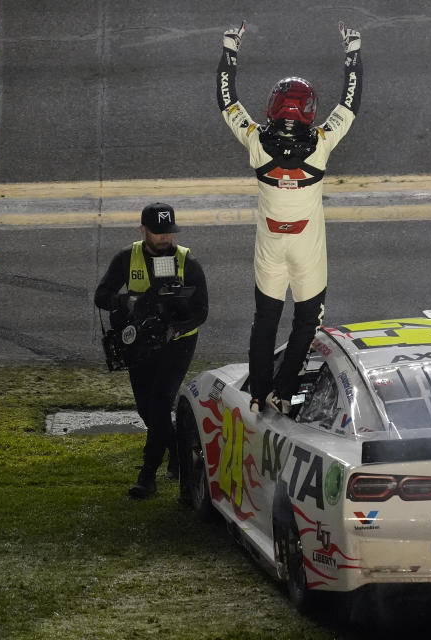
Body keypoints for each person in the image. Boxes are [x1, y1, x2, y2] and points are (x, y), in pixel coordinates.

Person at [217, 20, 362, 414]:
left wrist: (230, 47)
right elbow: (349, 105)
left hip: (269, 247)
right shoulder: (321, 143)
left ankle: (260, 392)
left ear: (272, 107)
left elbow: (227, 101)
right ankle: (283, 393)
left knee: (265, 322)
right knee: (306, 324)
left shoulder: (255, 142)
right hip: (307, 248)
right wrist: (353, 51)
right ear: (309, 111)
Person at [94, 203, 208, 499]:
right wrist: (128, 302)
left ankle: (148, 475)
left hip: (177, 343)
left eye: (168, 232)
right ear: (143, 230)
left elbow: (202, 311)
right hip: (141, 344)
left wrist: (175, 328)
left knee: (159, 403)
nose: (163, 238)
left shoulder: (187, 261)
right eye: (157, 232)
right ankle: (174, 449)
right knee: (147, 409)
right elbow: (101, 296)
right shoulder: (126, 258)